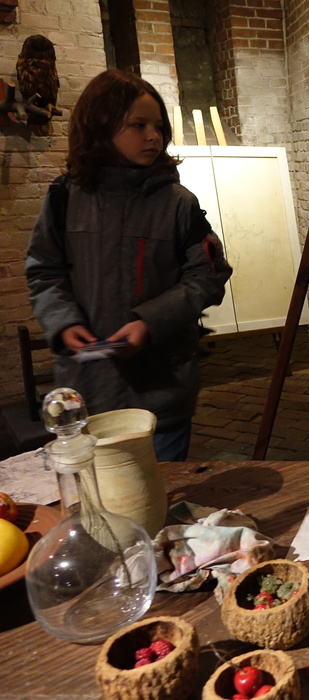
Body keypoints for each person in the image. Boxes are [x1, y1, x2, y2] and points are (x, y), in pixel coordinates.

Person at [25, 69, 232, 461]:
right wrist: (64, 322)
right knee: (98, 492)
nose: (153, 136)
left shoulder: (178, 203)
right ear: (100, 128)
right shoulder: (65, 199)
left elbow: (208, 274)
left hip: (161, 390)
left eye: (158, 126)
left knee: (160, 490)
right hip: (89, 392)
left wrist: (149, 322)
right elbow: (43, 270)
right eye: (138, 125)